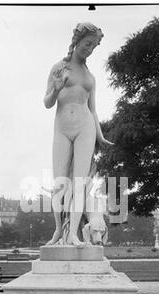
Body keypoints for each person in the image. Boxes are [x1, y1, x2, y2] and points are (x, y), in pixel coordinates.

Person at [44, 22, 113, 246]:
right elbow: (47, 103)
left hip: (86, 128)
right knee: (60, 183)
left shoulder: (90, 77)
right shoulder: (59, 68)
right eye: (87, 44)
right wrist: (56, 87)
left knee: (81, 183)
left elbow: (93, 110)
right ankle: (58, 230)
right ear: (76, 41)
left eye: (94, 46)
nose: (90, 49)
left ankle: (73, 233)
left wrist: (100, 137)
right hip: (62, 129)